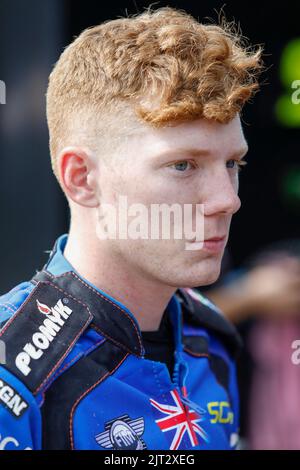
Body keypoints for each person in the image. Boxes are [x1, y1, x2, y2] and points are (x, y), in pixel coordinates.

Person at [0, 7, 262, 450]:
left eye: (232, 163)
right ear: (82, 178)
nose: (227, 199)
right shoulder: (15, 374)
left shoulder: (211, 340)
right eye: (183, 165)